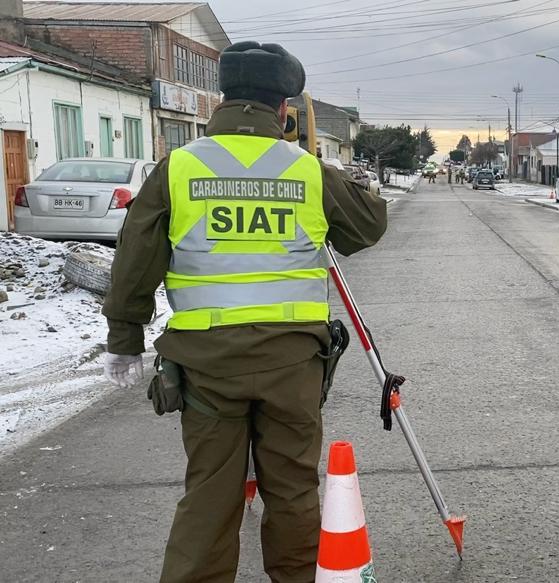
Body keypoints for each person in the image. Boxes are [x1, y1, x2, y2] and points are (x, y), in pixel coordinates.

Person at [101, 41, 388, 583]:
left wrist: (124, 337)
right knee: (294, 491)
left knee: (209, 494)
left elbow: (135, 259)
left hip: (207, 366)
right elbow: (369, 226)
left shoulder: (179, 167)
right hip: (292, 363)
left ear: (222, 99)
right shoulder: (307, 171)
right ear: (284, 108)